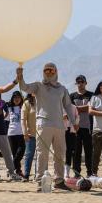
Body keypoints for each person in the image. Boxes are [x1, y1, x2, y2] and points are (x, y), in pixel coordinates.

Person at [17, 62, 74, 191]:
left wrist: (74, 122)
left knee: (60, 153)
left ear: (56, 71)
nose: (49, 72)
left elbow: (68, 106)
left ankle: (59, 181)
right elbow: (24, 87)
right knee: (42, 154)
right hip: (43, 124)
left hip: (59, 125)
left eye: (51, 70)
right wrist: (20, 75)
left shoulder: (62, 89)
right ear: (43, 72)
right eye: (46, 70)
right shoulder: (38, 86)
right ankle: (39, 181)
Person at [0, 96, 21, 181]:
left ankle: (11, 173)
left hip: (2, 131)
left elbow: (7, 112)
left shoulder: (2, 102)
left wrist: (2, 117)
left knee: (7, 153)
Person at [69, 75, 94, 178]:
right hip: (75, 127)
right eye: (78, 82)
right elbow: (70, 109)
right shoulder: (72, 96)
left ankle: (90, 172)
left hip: (88, 127)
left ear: (86, 83)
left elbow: (90, 108)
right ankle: (77, 173)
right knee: (76, 152)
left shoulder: (92, 95)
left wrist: (77, 109)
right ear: (76, 84)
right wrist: (82, 108)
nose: (80, 84)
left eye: (82, 82)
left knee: (89, 151)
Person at [6, 91, 26, 177]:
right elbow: (6, 120)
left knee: (21, 151)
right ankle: (18, 171)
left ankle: (11, 168)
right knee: (14, 153)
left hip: (22, 132)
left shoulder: (24, 107)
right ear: (12, 99)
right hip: (11, 133)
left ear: (21, 98)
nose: (16, 99)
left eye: (18, 97)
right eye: (15, 97)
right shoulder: (9, 108)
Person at [20, 93, 37, 181]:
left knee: (40, 156)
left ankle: (38, 175)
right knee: (29, 155)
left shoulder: (43, 101)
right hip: (31, 134)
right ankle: (26, 175)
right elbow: (23, 119)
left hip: (43, 134)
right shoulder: (27, 103)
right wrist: (25, 132)